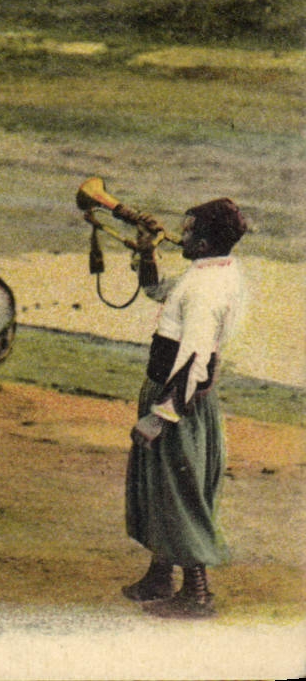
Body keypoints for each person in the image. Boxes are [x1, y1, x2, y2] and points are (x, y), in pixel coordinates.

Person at [122, 198, 249, 619]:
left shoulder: (204, 286)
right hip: (186, 398)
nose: (182, 235)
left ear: (207, 240)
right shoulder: (216, 271)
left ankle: (196, 593)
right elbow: (160, 291)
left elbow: (197, 358)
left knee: (179, 491)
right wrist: (146, 252)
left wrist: (160, 414)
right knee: (165, 485)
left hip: (177, 399)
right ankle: (160, 576)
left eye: (189, 231)